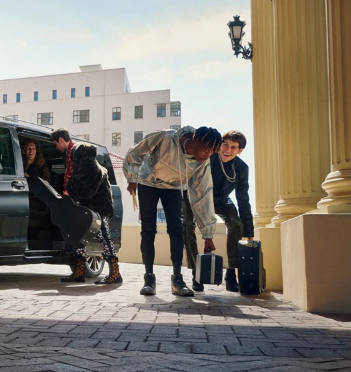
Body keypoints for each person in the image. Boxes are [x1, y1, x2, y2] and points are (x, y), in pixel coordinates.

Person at [123, 126, 221, 297]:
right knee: (148, 230)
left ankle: (177, 279)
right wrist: (132, 178)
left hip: (174, 187)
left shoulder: (202, 163)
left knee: (176, 230)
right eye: (205, 149)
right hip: (148, 183)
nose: (207, 155)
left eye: (211, 152)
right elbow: (135, 152)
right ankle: (149, 279)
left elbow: (203, 195)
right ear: (195, 140)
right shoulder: (166, 137)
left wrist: (208, 234)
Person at [184, 130, 254, 293]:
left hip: (220, 200)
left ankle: (231, 273)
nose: (227, 150)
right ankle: (197, 273)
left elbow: (243, 200)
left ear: (240, 151)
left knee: (236, 223)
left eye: (233, 147)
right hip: (195, 195)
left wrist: (248, 231)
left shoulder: (242, 169)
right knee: (187, 224)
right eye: (225, 144)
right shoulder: (208, 156)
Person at [51, 128, 120, 284]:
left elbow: (88, 176)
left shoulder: (80, 151)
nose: (56, 147)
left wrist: (70, 190)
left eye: (56, 144)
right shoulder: (70, 154)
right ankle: (79, 272)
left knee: (104, 236)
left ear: (61, 140)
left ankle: (115, 273)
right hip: (84, 203)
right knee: (79, 236)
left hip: (97, 202)